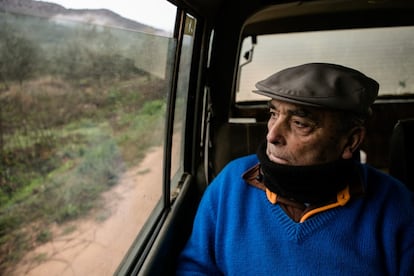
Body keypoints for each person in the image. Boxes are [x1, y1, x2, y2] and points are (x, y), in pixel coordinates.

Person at [176, 63, 414, 275]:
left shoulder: (397, 207)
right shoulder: (231, 182)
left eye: (300, 123)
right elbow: (196, 267)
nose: (271, 135)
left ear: (350, 141)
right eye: (273, 114)